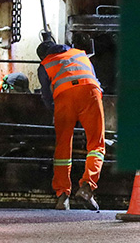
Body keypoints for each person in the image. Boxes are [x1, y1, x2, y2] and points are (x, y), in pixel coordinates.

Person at [37, 39, 105, 211]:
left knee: (63, 147)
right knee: (96, 144)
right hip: (90, 93)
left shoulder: (45, 64)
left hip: (64, 99)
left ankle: (62, 197)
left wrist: (55, 110)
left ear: (43, 56)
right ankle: (87, 188)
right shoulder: (80, 54)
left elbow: (46, 96)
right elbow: (93, 78)